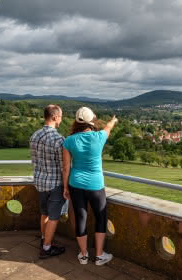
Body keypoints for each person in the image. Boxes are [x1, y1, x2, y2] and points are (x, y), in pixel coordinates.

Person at [62, 107, 118, 265]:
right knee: (101, 217)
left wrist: (65, 187)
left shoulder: (69, 140)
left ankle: (84, 255)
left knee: (81, 218)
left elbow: (66, 167)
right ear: (91, 120)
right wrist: (113, 120)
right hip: (95, 185)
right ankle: (99, 256)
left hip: (76, 184)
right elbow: (108, 127)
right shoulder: (99, 137)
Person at [30, 105, 66, 259]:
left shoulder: (34, 136)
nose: (61, 119)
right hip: (55, 183)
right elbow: (63, 166)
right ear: (55, 117)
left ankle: (45, 239)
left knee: (44, 213)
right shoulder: (59, 140)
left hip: (40, 182)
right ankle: (46, 248)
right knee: (53, 217)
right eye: (60, 116)